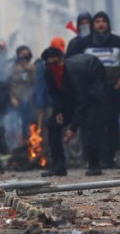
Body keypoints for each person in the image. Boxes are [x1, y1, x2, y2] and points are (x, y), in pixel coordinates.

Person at [67, 11, 120, 169]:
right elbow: (69, 60)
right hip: (91, 91)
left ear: (108, 24)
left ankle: (110, 158)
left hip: (112, 89)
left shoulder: (118, 41)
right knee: (90, 124)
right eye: (97, 21)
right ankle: (92, 159)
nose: (101, 24)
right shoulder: (83, 43)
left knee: (111, 123)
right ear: (93, 25)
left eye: (103, 21)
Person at [40, 47, 108, 176]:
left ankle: (94, 164)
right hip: (70, 98)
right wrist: (58, 111)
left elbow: (82, 101)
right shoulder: (48, 72)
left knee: (90, 124)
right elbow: (54, 93)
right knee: (52, 124)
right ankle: (58, 165)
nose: (53, 67)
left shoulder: (75, 70)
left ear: (62, 60)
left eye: (55, 63)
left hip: (92, 95)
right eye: (49, 64)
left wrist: (73, 128)